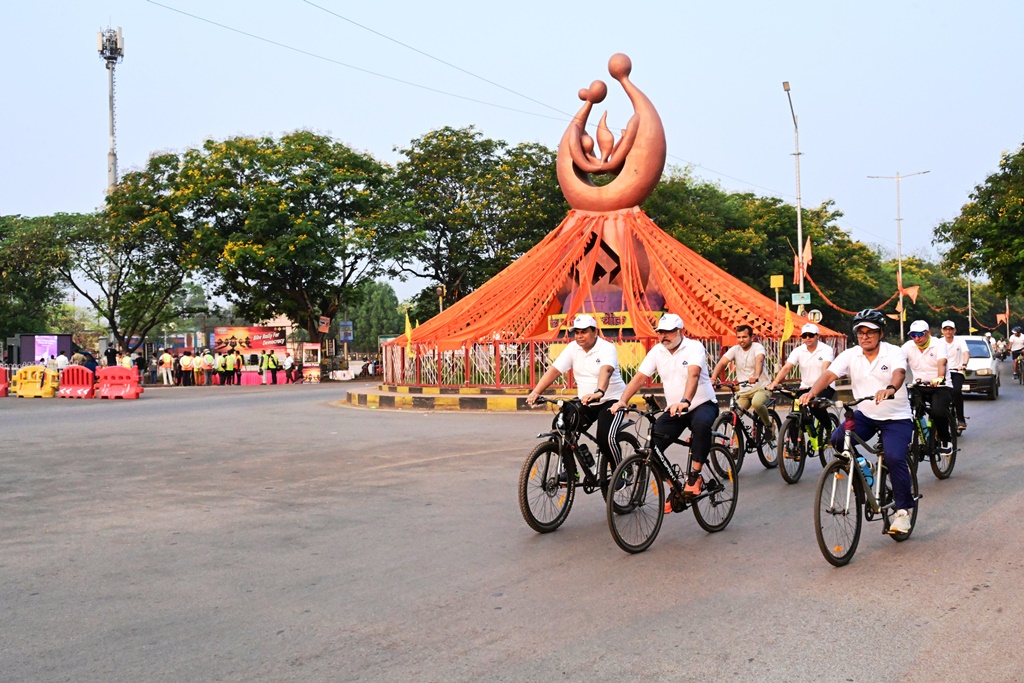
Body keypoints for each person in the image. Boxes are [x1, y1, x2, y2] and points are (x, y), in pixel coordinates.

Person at [801, 309, 916, 534]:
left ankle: (903, 512)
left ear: (881, 333)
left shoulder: (894, 352)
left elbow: (899, 374)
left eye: (870, 332)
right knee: (836, 440)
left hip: (896, 418)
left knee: (894, 457)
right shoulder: (851, 354)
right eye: (860, 332)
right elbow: (828, 376)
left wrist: (890, 389)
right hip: (865, 415)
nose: (865, 336)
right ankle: (865, 466)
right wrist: (812, 392)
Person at [611, 313, 718, 501]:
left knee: (701, 426)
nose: (663, 337)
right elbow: (639, 378)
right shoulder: (657, 351)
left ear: (681, 331)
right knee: (652, 447)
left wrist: (685, 401)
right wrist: (623, 401)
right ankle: (675, 487)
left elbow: (693, 375)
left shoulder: (694, 347)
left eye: (668, 332)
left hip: (701, 404)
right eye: (660, 332)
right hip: (674, 409)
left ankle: (695, 475)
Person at [527, 314, 629, 475]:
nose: (579, 336)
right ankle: (570, 470)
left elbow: (606, 370)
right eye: (577, 332)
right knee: (561, 426)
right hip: (586, 400)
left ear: (595, 332)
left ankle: (620, 471)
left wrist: (599, 392)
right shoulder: (573, 348)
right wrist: (536, 391)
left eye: (584, 332)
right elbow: (554, 370)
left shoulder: (606, 348)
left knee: (604, 438)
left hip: (611, 400)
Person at [767, 322, 835, 432]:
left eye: (811, 335)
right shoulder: (798, 350)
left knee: (816, 407)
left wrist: (816, 389)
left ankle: (829, 429)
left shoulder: (826, 349)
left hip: (824, 387)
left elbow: (825, 370)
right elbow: (787, 367)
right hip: (805, 388)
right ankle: (795, 446)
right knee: (796, 412)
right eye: (804, 336)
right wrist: (775, 382)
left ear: (817, 336)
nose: (807, 338)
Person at [710, 324, 774, 438]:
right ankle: (735, 446)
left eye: (744, 337)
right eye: (738, 337)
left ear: (751, 337)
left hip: (762, 387)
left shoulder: (757, 347)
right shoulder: (735, 350)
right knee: (733, 416)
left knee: (757, 403)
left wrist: (756, 376)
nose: (741, 340)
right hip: (744, 390)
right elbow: (722, 362)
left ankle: (769, 426)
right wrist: (713, 378)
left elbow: (759, 360)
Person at [902, 320, 953, 454]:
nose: (917, 338)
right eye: (913, 335)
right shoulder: (907, 347)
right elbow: (898, 365)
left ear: (928, 333)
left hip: (940, 386)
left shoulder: (939, 344)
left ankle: (945, 439)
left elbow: (942, 363)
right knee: (906, 411)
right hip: (918, 386)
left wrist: (940, 377)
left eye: (920, 334)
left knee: (937, 411)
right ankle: (917, 437)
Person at [939, 321, 969, 431]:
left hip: (957, 371)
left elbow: (966, 353)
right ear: (942, 331)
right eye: (946, 329)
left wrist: (963, 364)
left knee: (956, 391)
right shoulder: (939, 342)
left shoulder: (960, 341)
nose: (948, 331)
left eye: (950, 329)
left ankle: (961, 419)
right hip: (943, 372)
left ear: (954, 330)